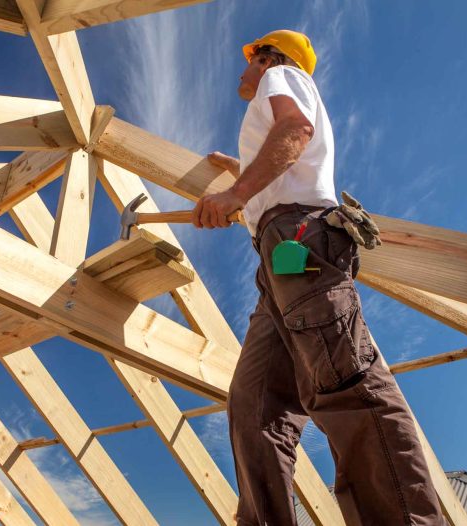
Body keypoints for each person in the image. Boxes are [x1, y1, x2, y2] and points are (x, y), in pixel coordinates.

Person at [191, 30, 445, 525]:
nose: (243, 70)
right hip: (277, 261)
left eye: (249, 60)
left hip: (300, 243)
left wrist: (236, 192)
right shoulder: (273, 95)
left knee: (346, 385)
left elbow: (295, 130)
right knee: (254, 407)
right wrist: (235, 169)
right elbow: (285, 148)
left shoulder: (282, 76)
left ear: (268, 57)